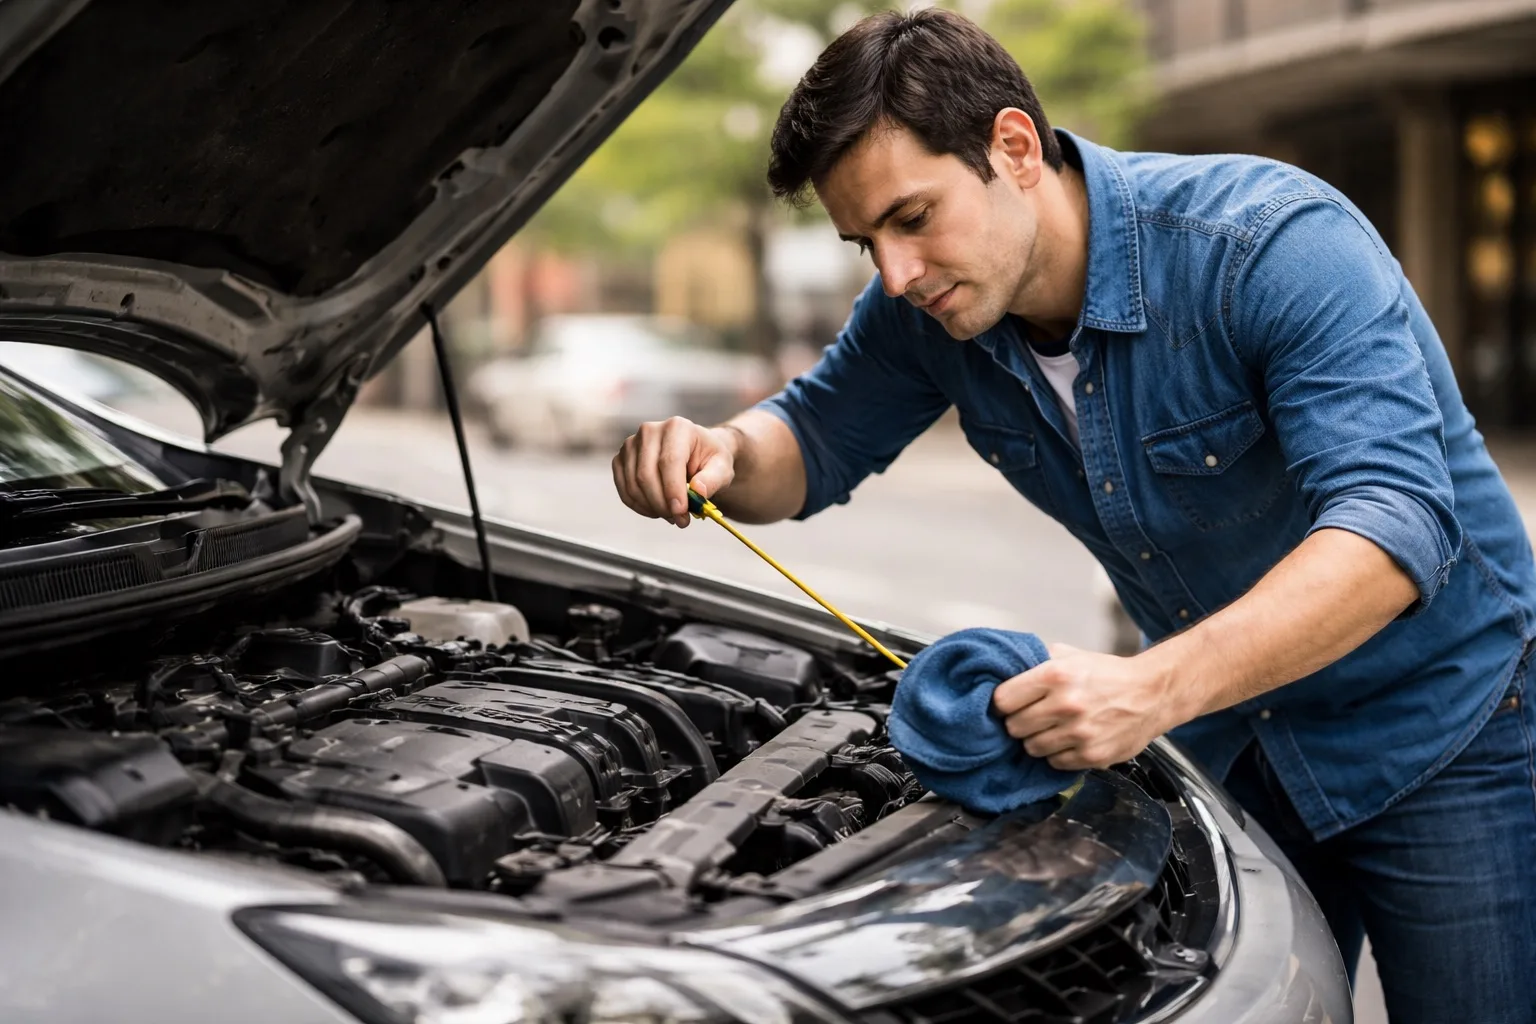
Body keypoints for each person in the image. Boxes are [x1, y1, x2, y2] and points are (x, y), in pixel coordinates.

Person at [610, 10, 1536, 1020]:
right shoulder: (928, 310)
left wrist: (1151, 685)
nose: (895, 274)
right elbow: (811, 442)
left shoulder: (1268, 243)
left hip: (1446, 735)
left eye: (912, 218)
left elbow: (1392, 529)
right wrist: (722, 454)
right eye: (864, 240)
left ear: (1013, 148)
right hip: (1235, 746)